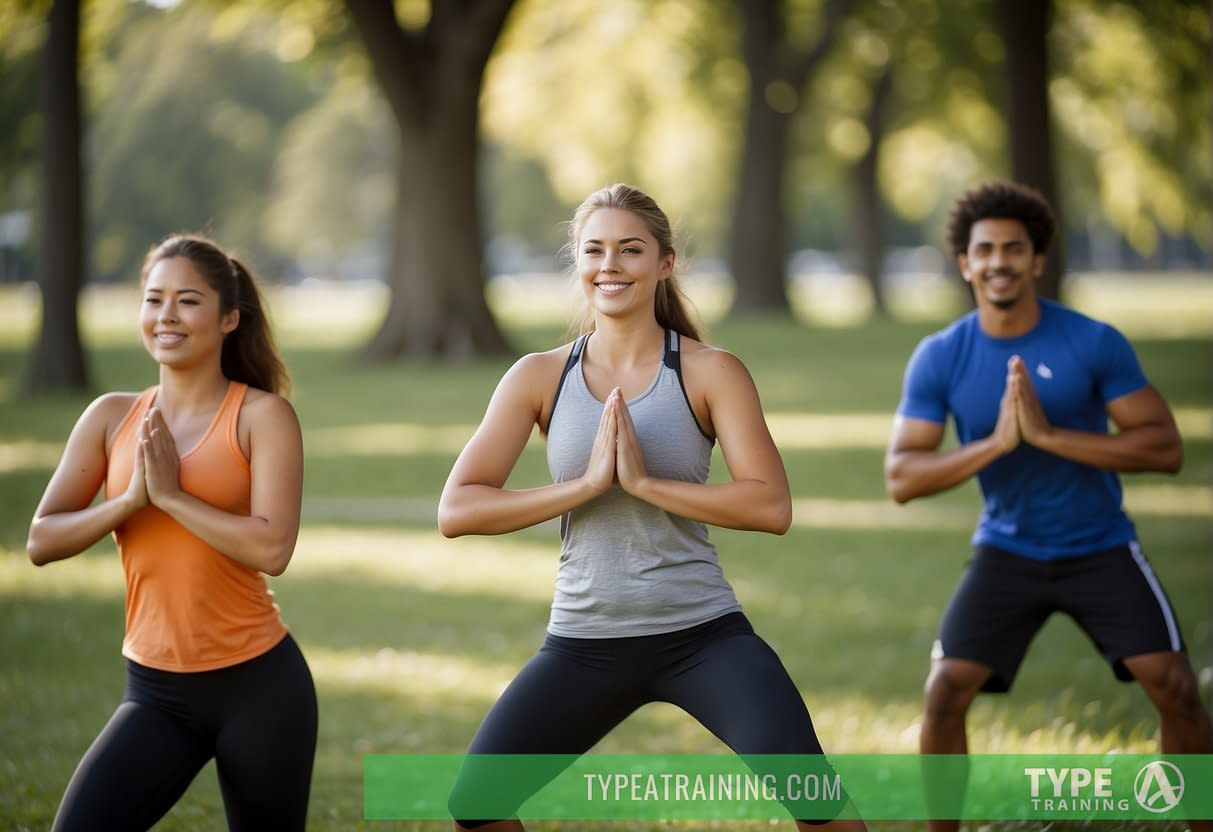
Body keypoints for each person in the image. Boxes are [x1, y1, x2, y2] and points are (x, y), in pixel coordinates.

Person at [437, 183, 865, 831]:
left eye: (630, 249)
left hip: (702, 636)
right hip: (582, 642)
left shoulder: (710, 371)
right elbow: (458, 509)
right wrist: (586, 486)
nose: (610, 265)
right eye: (594, 250)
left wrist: (644, 483)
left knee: (815, 799)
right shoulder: (538, 376)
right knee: (476, 806)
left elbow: (770, 505)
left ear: (665, 262)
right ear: (578, 262)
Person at [884, 180, 1213, 832]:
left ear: (1037, 260)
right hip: (1006, 549)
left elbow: (1164, 447)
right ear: (964, 263)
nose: (998, 262)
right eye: (985, 250)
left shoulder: (1091, 342)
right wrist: (997, 444)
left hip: (1099, 545)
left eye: (1014, 249)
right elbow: (902, 477)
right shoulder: (941, 356)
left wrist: (1051, 437)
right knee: (945, 691)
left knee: (1175, 686)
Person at [27, 233, 317, 832]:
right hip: (155, 693)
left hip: (259, 688)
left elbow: (273, 548)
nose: (166, 316)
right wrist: (130, 501)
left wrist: (174, 499)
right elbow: (41, 540)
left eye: (187, 301)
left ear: (229, 318)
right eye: (154, 299)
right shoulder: (110, 417)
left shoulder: (262, 417)